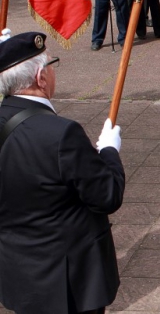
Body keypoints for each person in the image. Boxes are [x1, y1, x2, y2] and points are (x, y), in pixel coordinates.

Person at [0, 31, 125, 314]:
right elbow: (107, 195)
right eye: (52, 65)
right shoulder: (62, 133)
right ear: (41, 78)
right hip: (69, 279)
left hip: (18, 271)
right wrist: (108, 150)